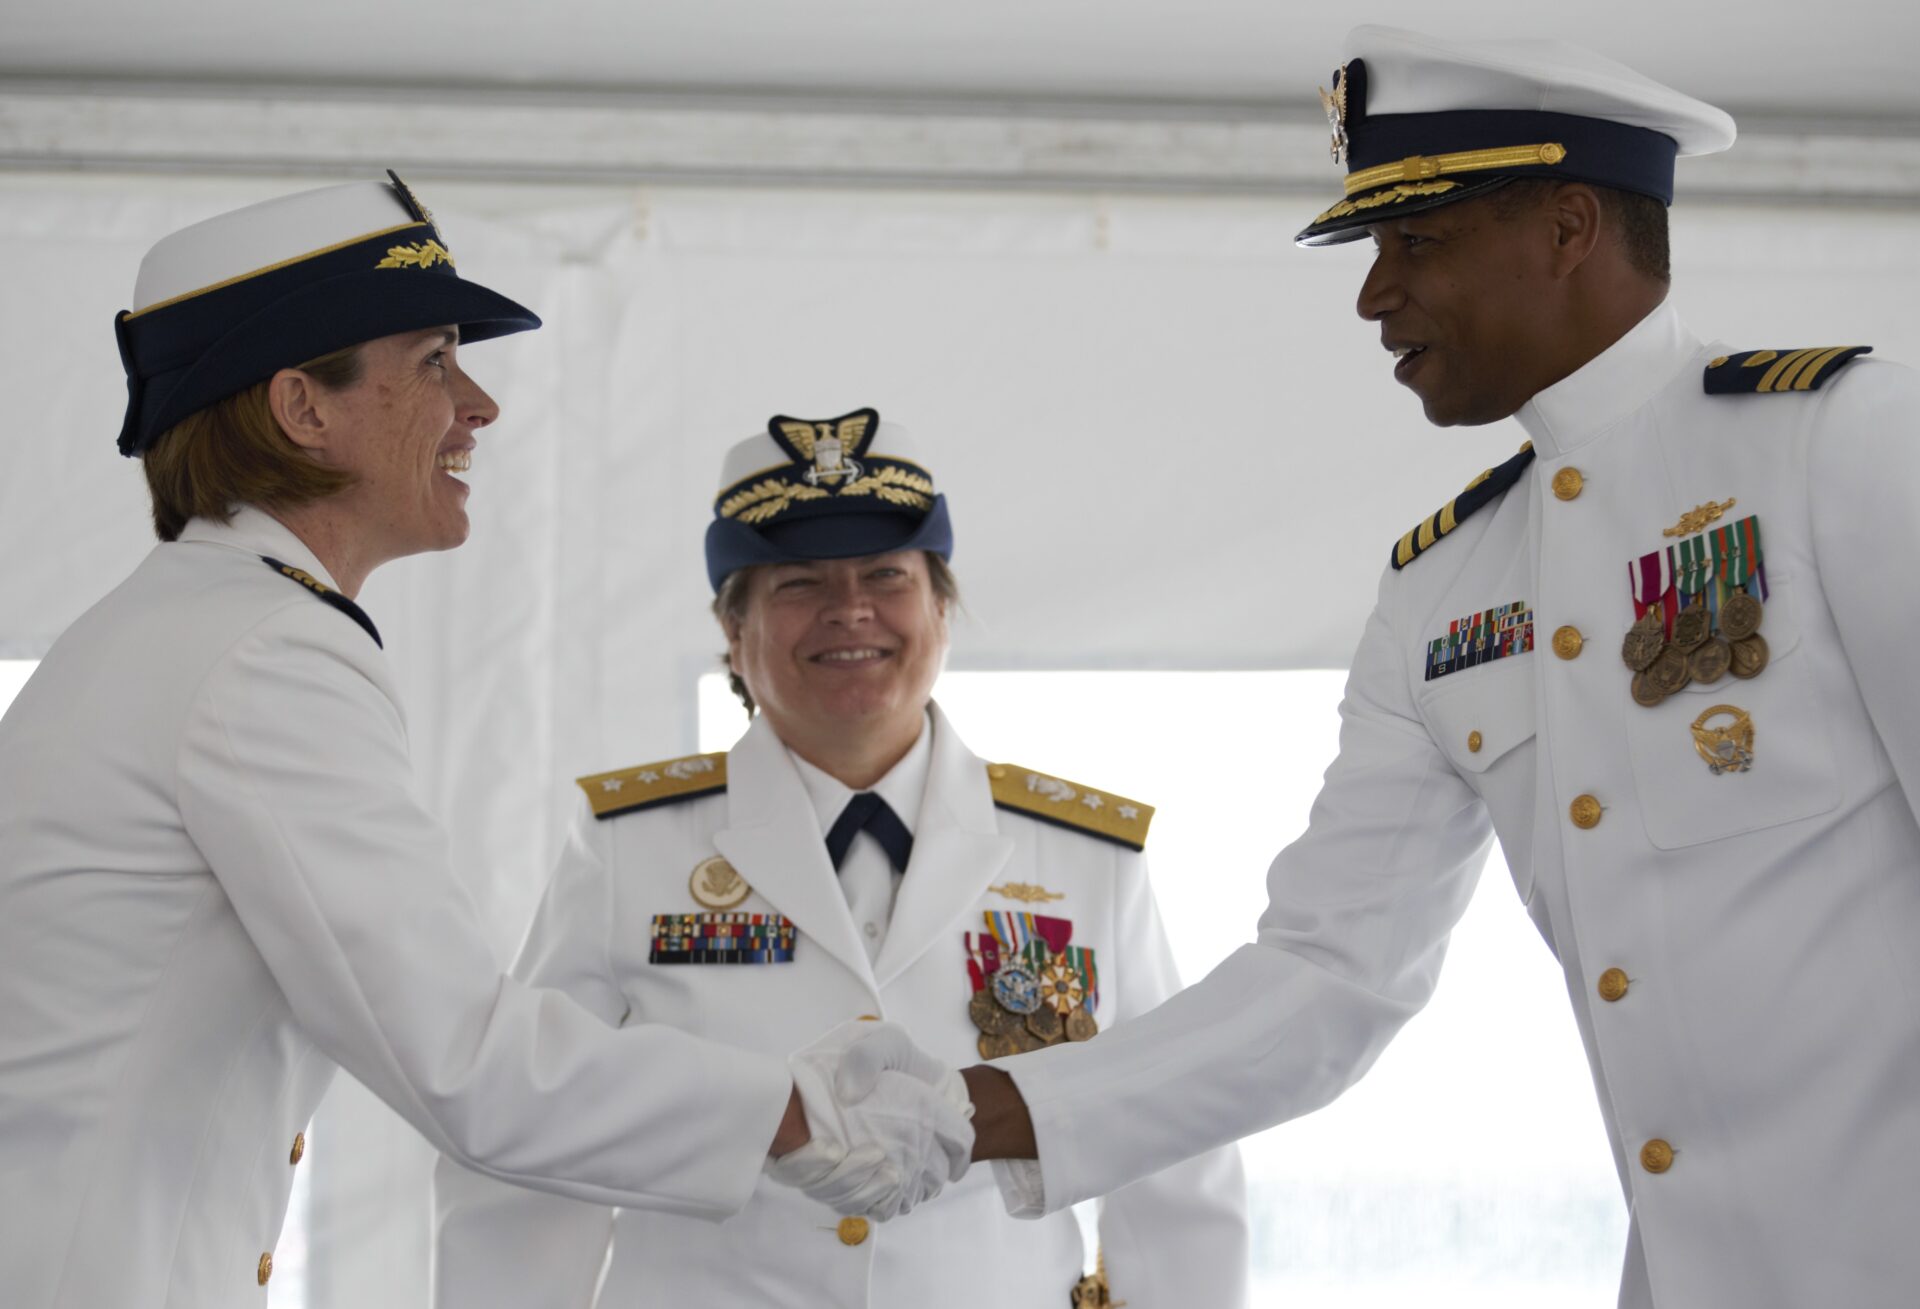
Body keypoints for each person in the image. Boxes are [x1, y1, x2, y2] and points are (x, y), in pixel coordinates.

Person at [852, 26, 1920, 1309]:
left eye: (1418, 242)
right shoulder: (1444, 587)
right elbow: (1329, 972)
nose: (1373, 294)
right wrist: (989, 1107)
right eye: (1372, 249)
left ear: (1571, 224)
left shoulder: (1842, 442)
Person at [0, 179, 967, 1309]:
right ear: (304, 408)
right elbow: (462, 1058)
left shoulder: (190, 625)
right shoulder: (264, 654)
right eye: (434, 363)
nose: (479, 406)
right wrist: (800, 1116)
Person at [432, 409, 1248, 1309]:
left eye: (887, 575)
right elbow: (530, 1136)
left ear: (941, 606)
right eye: (799, 583)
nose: (850, 608)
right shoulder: (629, 846)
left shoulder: (1090, 858)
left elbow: (1173, 1148)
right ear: (732, 629)